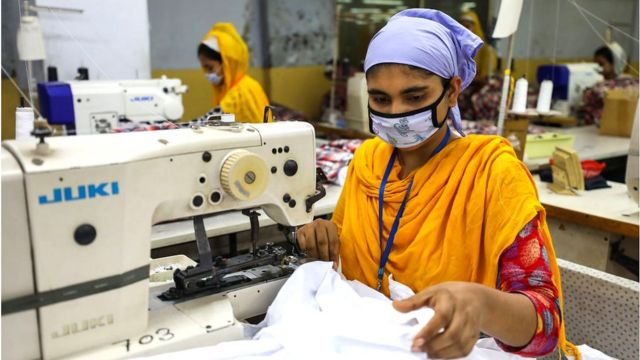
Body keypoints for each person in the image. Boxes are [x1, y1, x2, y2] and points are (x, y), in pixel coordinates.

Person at [296, 9, 579, 359]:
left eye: (414, 97)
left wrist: (482, 305)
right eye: (380, 99)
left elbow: (545, 326)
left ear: (452, 91)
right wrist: (325, 238)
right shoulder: (367, 163)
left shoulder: (492, 174)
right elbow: (349, 248)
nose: (396, 113)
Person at [196, 23, 269, 123]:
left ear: (226, 64)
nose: (207, 73)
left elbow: (211, 120)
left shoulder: (241, 92)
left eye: (210, 67)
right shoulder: (230, 89)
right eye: (205, 68)